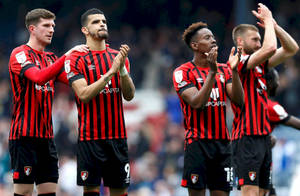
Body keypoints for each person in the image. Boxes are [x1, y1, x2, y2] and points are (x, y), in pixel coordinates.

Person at [8, 8, 89, 196]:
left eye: (53, 25)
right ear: (32, 28)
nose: (51, 29)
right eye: (46, 25)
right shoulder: (19, 54)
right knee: (24, 192)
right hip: (23, 137)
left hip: (46, 139)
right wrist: (68, 55)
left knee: (49, 192)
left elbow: (73, 80)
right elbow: (38, 77)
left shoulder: (51, 58)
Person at [65, 8, 135, 196]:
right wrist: (111, 72)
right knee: (91, 191)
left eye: (104, 21)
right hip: (90, 139)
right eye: (96, 22)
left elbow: (129, 95)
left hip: (118, 139)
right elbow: (84, 94)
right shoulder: (75, 58)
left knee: (120, 191)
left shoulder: (118, 57)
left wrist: (122, 70)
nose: (102, 24)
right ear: (85, 30)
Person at [231, 3, 299, 196]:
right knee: (250, 193)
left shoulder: (261, 66)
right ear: (240, 42)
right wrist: (268, 21)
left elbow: (292, 48)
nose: (259, 43)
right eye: (255, 40)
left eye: (260, 39)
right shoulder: (242, 62)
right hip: (247, 138)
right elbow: (270, 47)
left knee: (263, 193)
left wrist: (275, 26)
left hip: (263, 139)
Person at [172, 21, 244, 196]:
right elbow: (197, 103)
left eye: (213, 36)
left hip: (223, 146)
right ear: (195, 45)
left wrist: (234, 72)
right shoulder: (183, 72)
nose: (213, 40)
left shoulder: (224, 69)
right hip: (197, 144)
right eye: (207, 37)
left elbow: (239, 101)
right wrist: (211, 74)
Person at [266, 68, 300, 196]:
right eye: (276, 80)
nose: (278, 84)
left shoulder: (250, 102)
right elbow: (295, 123)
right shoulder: (271, 107)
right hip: (255, 159)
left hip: (256, 159)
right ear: (268, 84)